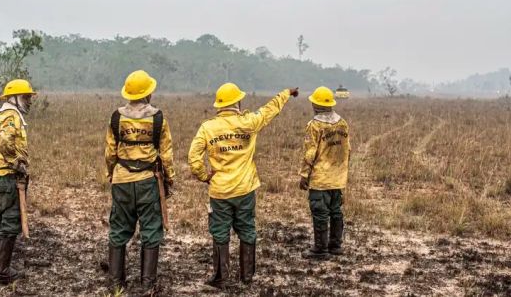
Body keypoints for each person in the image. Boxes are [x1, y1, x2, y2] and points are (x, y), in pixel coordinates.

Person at [188, 83, 298, 289]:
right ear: (238, 102)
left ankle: (221, 277)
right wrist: (286, 93)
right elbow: (269, 109)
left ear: (219, 105)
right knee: (247, 229)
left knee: (220, 232)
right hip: (245, 189)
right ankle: (247, 277)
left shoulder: (208, 127)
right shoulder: (249, 122)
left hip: (220, 191)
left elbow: (193, 158)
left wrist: (204, 176)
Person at [105, 70, 175, 296]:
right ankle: (148, 285)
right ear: (148, 93)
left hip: (121, 180)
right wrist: (169, 180)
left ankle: (116, 284)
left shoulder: (116, 117)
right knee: (151, 230)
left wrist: (111, 174)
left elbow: (110, 153)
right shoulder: (158, 118)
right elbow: (166, 154)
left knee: (118, 229)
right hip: (148, 181)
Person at [0, 79, 36, 284]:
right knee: (10, 223)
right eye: (25, 97)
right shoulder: (11, 116)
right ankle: (0, 272)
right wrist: (18, 164)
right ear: (13, 98)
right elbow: (7, 142)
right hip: (7, 177)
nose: (29, 101)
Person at [298, 86, 351, 259]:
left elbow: (310, 153)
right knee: (336, 211)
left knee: (320, 213)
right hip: (338, 178)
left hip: (320, 179)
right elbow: (347, 150)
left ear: (315, 105)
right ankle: (335, 245)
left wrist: (304, 175)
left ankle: (320, 249)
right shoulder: (343, 123)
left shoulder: (314, 126)